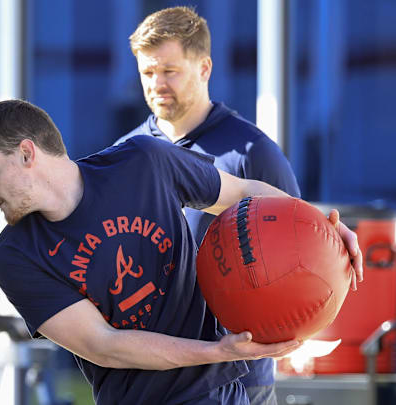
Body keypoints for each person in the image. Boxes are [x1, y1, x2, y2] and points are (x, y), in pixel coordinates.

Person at [0, 99, 363, 405]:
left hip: (222, 393)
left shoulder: (143, 162)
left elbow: (242, 194)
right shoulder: (15, 255)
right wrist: (216, 351)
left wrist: (322, 226)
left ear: (28, 154)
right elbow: (105, 344)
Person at [116, 7, 301, 403]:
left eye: (170, 70)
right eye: (147, 73)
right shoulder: (125, 156)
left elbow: (298, 259)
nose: (157, 83)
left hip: (238, 380)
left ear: (204, 68)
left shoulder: (253, 155)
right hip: (152, 378)